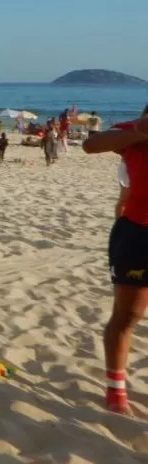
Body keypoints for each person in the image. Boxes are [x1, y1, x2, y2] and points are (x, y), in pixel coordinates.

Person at [82, 105, 148, 415]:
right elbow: (91, 144)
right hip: (137, 234)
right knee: (128, 314)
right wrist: (138, 130)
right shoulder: (134, 135)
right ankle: (116, 390)